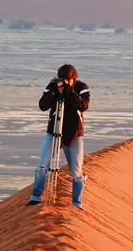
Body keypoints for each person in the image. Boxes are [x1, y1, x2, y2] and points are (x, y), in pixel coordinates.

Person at [27, 64, 90, 209]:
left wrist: (70, 92)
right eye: (63, 79)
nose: (66, 82)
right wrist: (53, 92)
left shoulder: (82, 87)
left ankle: (77, 203)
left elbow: (83, 106)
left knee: (76, 171)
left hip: (74, 134)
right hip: (53, 131)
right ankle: (35, 198)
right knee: (42, 165)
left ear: (74, 78)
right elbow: (43, 105)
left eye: (69, 80)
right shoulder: (54, 85)